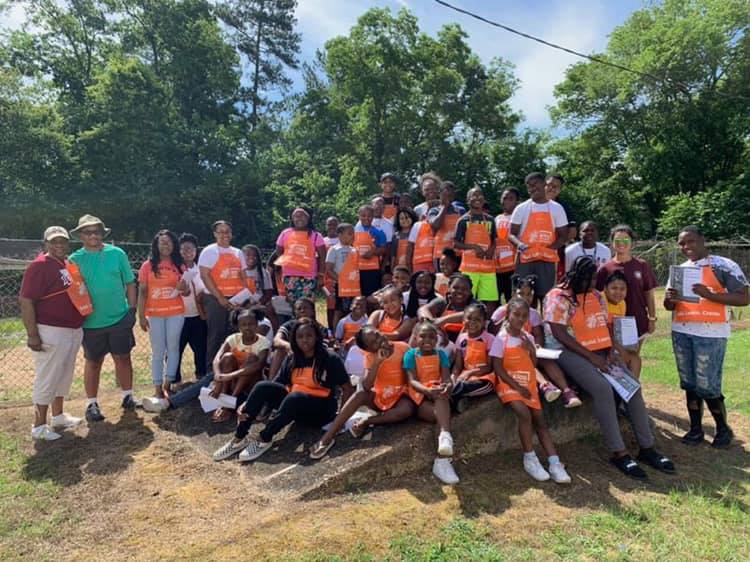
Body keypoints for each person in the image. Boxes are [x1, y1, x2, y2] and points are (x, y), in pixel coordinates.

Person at [545, 256, 675, 479]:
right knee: (602, 388)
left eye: (595, 277)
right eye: (589, 278)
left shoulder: (596, 295)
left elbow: (604, 327)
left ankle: (647, 448)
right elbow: (558, 333)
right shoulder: (558, 296)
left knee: (631, 386)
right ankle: (619, 452)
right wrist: (593, 359)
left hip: (600, 350)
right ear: (577, 277)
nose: (594, 282)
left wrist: (614, 351)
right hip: (567, 351)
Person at [213, 319, 353, 461]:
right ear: (294, 339)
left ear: (316, 337)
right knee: (262, 386)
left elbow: (347, 389)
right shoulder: (293, 358)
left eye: (309, 336)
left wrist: (340, 420)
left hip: (320, 412)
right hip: (294, 407)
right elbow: (276, 384)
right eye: (300, 336)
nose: (305, 340)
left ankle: (264, 438)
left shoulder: (330, 358)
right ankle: (239, 438)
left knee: (295, 397)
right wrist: (247, 404)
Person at [664, 226, 749, 448]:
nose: (686, 247)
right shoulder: (680, 270)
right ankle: (695, 429)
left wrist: (710, 295)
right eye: (682, 243)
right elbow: (668, 305)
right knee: (689, 383)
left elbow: (744, 298)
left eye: (690, 241)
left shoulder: (723, 265)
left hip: (710, 333)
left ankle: (723, 429)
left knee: (708, 384)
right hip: (682, 331)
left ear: (703, 240)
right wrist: (670, 299)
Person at [490, 297, 571, 483]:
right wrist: (516, 386)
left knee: (540, 420)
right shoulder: (500, 339)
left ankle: (554, 462)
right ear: (508, 314)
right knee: (523, 413)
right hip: (508, 383)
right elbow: (498, 368)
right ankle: (530, 457)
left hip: (528, 383)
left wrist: (531, 349)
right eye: (516, 315)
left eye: (524, 316)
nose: (520, 319)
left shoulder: (528, 338)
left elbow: (532, 364)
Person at [69, 214, 139, 422]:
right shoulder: (74, 259)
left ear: (102, 233)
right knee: (93, 362)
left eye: (97, 231)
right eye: (88, 232)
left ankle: (128, 396)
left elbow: (129, 282)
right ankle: (92, 403)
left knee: (123, 357)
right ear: (81, 235)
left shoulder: (117, 253)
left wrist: (132, 310)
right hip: (90, 321)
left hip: (119, 317)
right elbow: (72, 291)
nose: (93, 235)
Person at [20, 226, 87, 440]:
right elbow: (26, 300)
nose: (59, 244)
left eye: (63, 241)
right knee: (48, 377)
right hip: (51, 329)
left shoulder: (66, 264)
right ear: (45, 243)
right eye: (54, 241)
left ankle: (58, 416)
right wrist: (32, 334)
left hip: (72, 329)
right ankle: (39, 426)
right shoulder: (39, 266)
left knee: (63, 375)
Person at [311, 326, 414, 457]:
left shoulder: (402, 347)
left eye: (377, 334)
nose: (379, 339)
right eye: (373, 342)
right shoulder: (371, 357)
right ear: (369, 350)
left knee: (406, 411)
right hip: (381, 397)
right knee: (360, 394)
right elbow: (366, 386)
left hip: (401, 396)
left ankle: (367, 421)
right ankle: (327, 437)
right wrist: (377, 363)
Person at [492, 275, 582, 408]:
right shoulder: (502, 311)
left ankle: (567, 392)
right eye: (521, 294)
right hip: (509, 355)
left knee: (546, 360)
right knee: (526, 361)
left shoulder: (533, 314)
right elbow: (495, 334)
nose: (525, 298)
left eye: (529, 294)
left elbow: (538, 334)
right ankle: (545, 385)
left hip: (529, 349)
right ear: (512, 294)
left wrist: (537, 345)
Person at [404, 321, 460, 485]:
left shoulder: (441, 355)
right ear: (415, 337)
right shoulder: (411, 355)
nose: (427, 340)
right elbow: (412, 381)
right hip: (420, 399)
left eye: (431, 336)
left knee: (441, 399)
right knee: (442, 414)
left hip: (437, 396)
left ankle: (443, 449)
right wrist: (426, 391)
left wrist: (447, 386)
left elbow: (446, 378)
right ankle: (444, 451)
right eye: (423, 336)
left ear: (437, 339)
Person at [137, 230, 188, 399]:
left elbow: (186, 292)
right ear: (156, 245)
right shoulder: (147, 266)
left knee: (173, 348)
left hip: (175, 313)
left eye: (169, 242)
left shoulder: (180, 266)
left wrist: (184, 289)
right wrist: (141, 316)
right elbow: (143, 292)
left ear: (174, 245)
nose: (165, 245)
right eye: (162, 242)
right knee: (158, 351)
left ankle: (168, 384)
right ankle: (157, 387)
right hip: (155, 314)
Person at [595, 224, 658, 351]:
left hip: (637, 319)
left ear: (631, 243)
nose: (621, 243)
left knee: (633, 358)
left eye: (625, 240)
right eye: (617, 240)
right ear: (612, 243)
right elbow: (597, 296)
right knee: (615, 359)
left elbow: (649, 294)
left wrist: (652, 318)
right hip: (612, 322)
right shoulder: (605, 268)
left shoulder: (642, 265)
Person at [509, 173, 569, 305]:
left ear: (544, 184)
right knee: (524, 296)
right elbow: (511, 234)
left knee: (546, 297)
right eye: (529, 186)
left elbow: (564, 235)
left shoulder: (556, 208)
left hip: (546, 260)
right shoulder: (521, 208)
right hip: (526, 259)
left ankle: (544, 325)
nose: (532, 188)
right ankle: (526, 324)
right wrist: (520, 245)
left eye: (535, 184)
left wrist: (551, 248)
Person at [198, 220, 248, 374]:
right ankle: (211, 372)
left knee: (234, 335)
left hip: (236, 299)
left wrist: (243, 296)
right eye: (221, 231)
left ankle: (231, 369)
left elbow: (243, 276)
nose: (224, 235)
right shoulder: (209, 251)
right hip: (215, 299)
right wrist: (220, 298)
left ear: (231, 234)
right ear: (215, 234)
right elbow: (205, 275)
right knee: (216, 334)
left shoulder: (238, 252)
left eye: (227, 231)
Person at [208, 308, 270, 423]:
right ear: (238, 327)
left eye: (251, 324)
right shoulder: (233, 338)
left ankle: (229, 403)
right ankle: (225, 396)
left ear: (257, 324)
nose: (247, 327)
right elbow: (217, 359)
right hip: (232, 382)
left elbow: (259, 365)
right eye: (243, 325)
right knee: (227, 356)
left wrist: (230, 375)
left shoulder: (263, 342)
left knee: (252, 359)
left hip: (251, 383)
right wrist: (218, 378)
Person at [454, 186, 498, 312]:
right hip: (469, 268)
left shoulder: (490, 219)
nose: (477, 198)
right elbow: (455, 243)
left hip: (487, 267)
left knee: (490, 299)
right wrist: (473, 247)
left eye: (480, 195)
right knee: (466, 298)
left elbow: (494, 240)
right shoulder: (463, 220)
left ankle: (488, 325)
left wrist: (491, 250)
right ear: (468, 200)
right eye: (474, 195)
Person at [270, 207, 326, 304]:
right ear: (292, 219)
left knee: (307, 304)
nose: (299, 218)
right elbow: (279, 251)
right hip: (290, 276)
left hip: (309, 276)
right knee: (293, 305)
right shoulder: (285, 233)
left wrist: (321, 275)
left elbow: (322, 257)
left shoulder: (316, 235)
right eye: (296, 216)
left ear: (308, 218)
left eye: (302, 215)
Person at [175, 233, 207, 383]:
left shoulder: (201, 269)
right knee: (176, 349)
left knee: (200, 348)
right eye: (184, 249)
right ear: (178, 250)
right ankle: (174, 380)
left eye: (191, 249)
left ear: (196, 250)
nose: (188, 252)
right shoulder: (174, 269)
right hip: (178, 316)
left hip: (197, 315)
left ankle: (201, 377)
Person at [452, 304, 496, 405]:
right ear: (463, 319)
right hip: (465, 377)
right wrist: (454, 377)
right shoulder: (461, 338)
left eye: (477, 319)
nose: (472, 322)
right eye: (469, 318)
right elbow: (458, 365)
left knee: (465, 386)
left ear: (484, 322)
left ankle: (454, 395)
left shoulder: (490, 339)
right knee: (453, 384)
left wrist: (470, 373)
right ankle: (457, 398)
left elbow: (489, 367)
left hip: (484, 378)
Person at [603, 271, 641, 379]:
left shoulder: (622, 303)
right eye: (614, 288)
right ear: (605, 288)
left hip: (613, 344)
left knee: (635, 359)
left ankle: (633, 390)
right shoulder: (600, 300)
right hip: (600, 345)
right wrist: (619, 349)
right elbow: (603, 329)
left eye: (622, 289)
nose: (618, 292)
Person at [325, 223, 361, 331]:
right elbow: (329, 269)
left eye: (353, 233)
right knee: (339, 310)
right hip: (340, 286)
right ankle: (336, 334)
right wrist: (340, 280)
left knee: (352, 309)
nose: (352, 236)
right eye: (349, 234)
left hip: (353, 286)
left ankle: (351, 331)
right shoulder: (334, 249)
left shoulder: (354, 250)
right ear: (340, 235)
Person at [545, 174, 577, 282]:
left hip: (555, 253)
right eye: (549, 185)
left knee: (552, 285)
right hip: (532, 252)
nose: (552, 188)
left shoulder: (564, 207)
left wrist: (553, 245)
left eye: (556, 187)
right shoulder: (531, 204)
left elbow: (572, 232)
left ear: (560, 190)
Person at [354, 205, 388, 297]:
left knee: (371, 295)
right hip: (356, 268)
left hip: (371, 269)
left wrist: (373, 252)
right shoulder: (353, 231)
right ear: (359, 216)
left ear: (373, 216)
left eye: (369, 216)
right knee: (357, 295)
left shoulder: (379, 232)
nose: (366, 218)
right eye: (363, 215)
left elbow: (384, 249)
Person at [429, 181, 463, 270]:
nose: (448, 195)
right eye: (446, 192)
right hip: (440, 255)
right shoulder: (434, 210)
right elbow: (436, 225)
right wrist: (444, 206)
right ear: (440, 193)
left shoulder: (460, 210)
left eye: (451, 193)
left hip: (458, 254)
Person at [495, 187, 521, 304]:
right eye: (505, 198)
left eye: (511, 199)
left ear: (517, 202)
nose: (507, 201)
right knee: (494, 300)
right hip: (497, 268)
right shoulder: (496, 219)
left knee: (512, 301)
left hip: (513, 268)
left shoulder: (520, 219)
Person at [323, 216, 340, 331]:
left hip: (339, 277)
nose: (332, 227)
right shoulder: (322, 241)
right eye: (329, 224)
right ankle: (327, 332)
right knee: (326, 305)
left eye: (335, 224)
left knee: (338, 306)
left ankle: (337, 331)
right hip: (325, 278)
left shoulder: (343, 240)